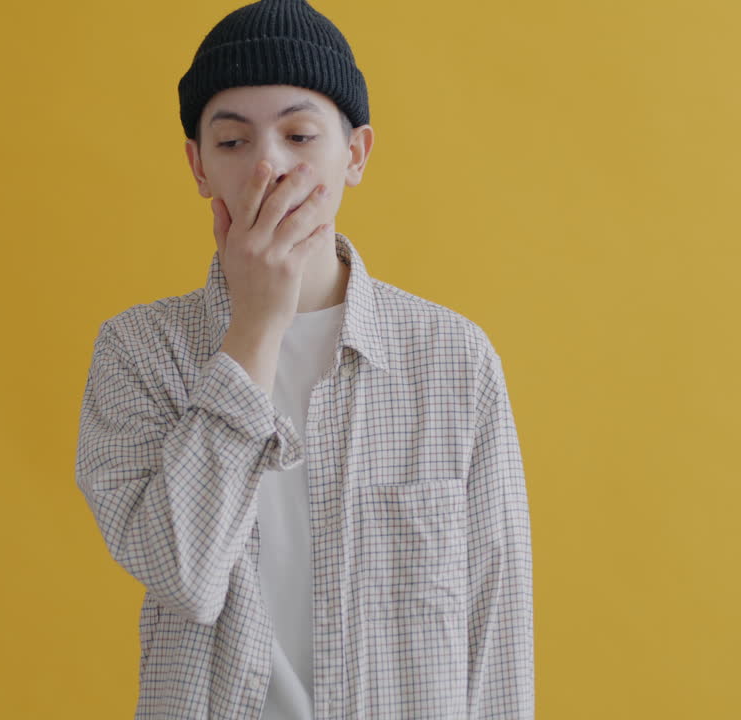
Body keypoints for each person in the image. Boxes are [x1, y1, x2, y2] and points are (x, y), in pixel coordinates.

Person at [74, 0, 533, 717]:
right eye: (233, 141)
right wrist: (255, 327)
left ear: (355, 155)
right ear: (198, 166)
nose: (269, 166)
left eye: (299, 135)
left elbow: (496, 628)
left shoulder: (453, 359)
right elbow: (185, 576)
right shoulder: (140, 352)